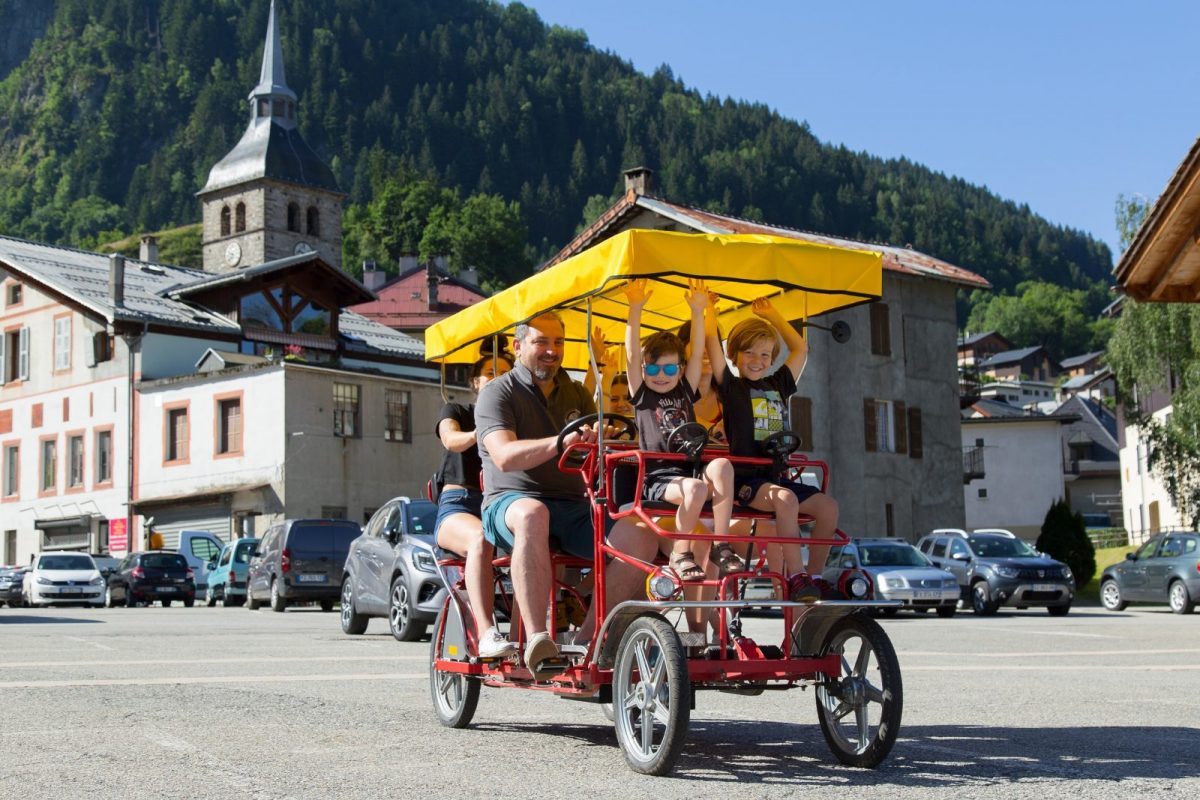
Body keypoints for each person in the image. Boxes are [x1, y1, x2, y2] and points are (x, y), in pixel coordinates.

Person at [474, 312, 605, 676]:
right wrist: (561, 442)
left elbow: (591, 451)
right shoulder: (497, 392)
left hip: (573, 505)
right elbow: (504, 456)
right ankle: (538, 639)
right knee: (533, 513)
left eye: (558, 342)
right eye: (541, 342)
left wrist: (598, 439)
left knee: (637, 532)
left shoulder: (577, 392)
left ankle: (590, 638)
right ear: (518, 347)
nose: (552, 350)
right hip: (509, 502)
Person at [705, 295, 841, 602]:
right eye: (749, 352)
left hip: (777, 477)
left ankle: (815, 577)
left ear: (772, 359)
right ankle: (796, 576)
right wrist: (709, 310)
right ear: (734, 355)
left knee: (828, 507)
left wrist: (772, 315)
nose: (757, 360)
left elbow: (801, 348)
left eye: (765, 354)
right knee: (786, 499)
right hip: (748, 482)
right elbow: (713, 344)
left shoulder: (779, 383)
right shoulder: (731, 388)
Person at [623, 278, 734, 582]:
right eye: (653, 369)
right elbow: (632, 355)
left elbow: (696, 353)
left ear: (680, 370)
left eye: (670, 368)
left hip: (689, 473)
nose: (661, 375)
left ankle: (721, 544)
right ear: (645, 371)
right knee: (695, 488)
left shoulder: (685, 390)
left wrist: (698, 311)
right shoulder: (643, 395)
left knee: (722, 466)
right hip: (659, 477)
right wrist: (635, 308)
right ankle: (680, 553)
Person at [434, 349, 515, 658]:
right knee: (480, 539)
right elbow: (450, 439)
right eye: (491, 373)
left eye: (504, 374)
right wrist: (484, 432)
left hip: (499, 504)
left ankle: (527, 634)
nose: (497, 379)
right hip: (459, 505)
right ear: (475, 382)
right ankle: (486, 632)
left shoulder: (515, 420)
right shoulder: (457, 410)